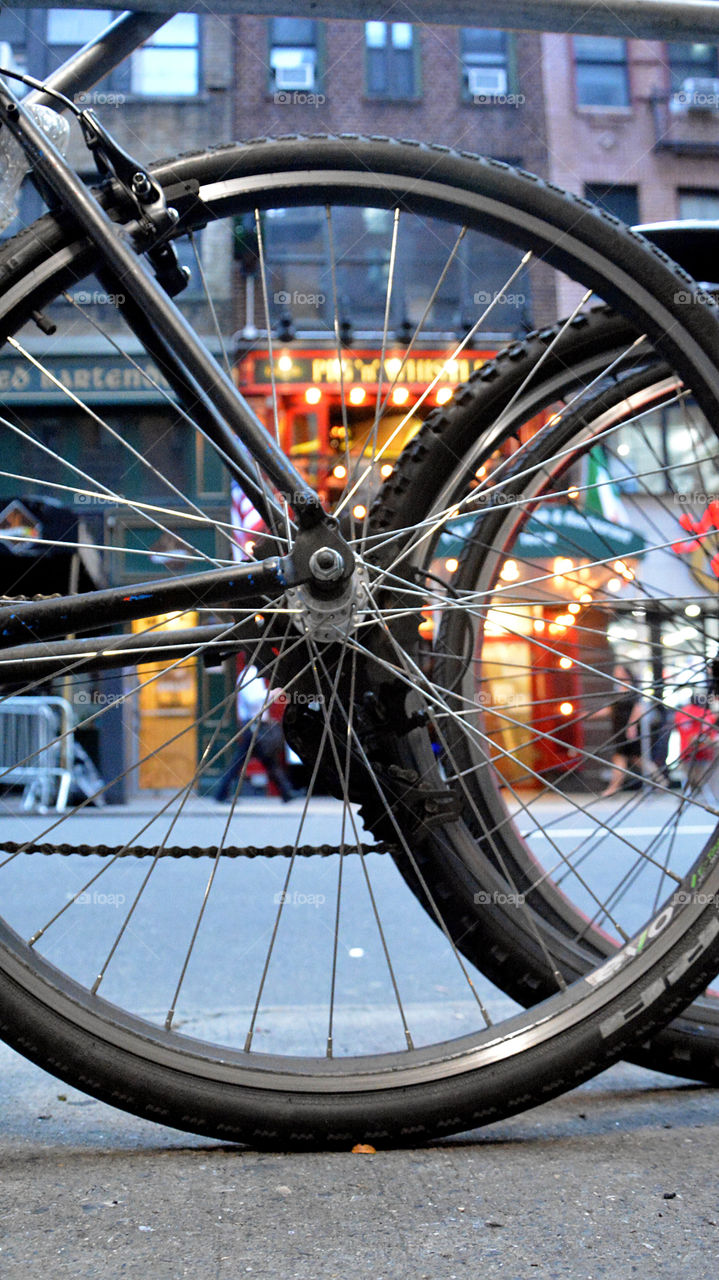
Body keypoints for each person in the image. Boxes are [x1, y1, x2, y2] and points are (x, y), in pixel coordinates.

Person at [214, 665, 301, 803]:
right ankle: (286, 793)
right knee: (246, 761)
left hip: (256, 725)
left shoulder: (252, 674)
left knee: (267, 761)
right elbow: (253, 700)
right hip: (253, 725)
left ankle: (286, 793)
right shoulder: (250, 675)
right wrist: (271, 694)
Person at [601, 662, 645, 798]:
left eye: (618, 670)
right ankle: (661, 781)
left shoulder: (632, 690)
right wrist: (588, 715)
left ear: (625, 673)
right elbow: (610, 709)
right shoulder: (618, 690)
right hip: (619, 729)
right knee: (635, 759)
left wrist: (632, 726)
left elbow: (638, 709)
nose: (615, 672)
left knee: (623, 758)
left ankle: (613, 788)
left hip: (628, 730)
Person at [675, 691, 719, 797]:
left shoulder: (681, 712)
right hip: (699, 750)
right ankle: (703, 791)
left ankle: (692, 791)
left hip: (688, 750)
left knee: (691, 773)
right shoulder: (703, 713)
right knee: (700, 773)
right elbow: (706, 735)